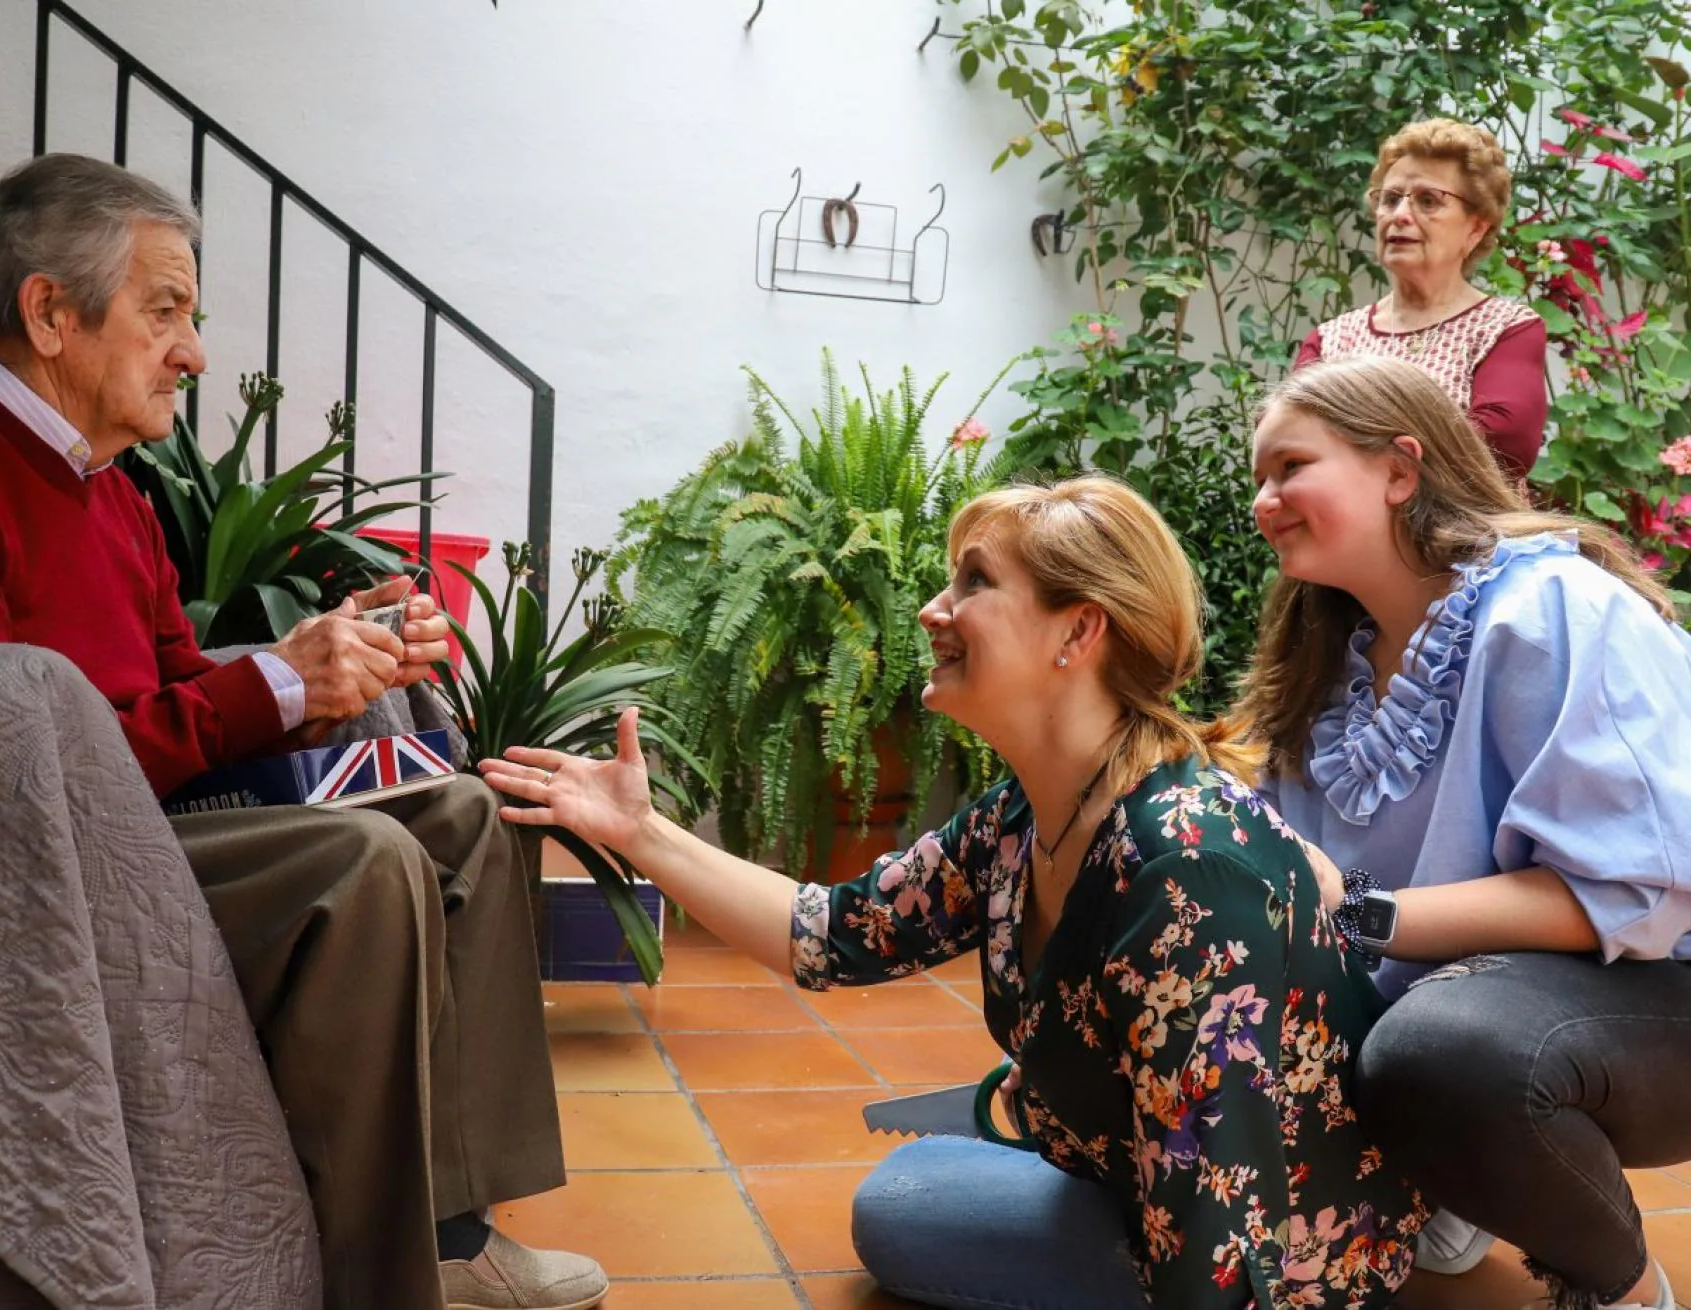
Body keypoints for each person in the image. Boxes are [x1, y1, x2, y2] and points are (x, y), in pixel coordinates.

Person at [0, 153, 606, 1310]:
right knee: (361, 865)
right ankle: (373, 1280)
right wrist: (270, 688)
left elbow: (164, 694)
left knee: (462, 810)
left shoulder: (109, 487)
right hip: (7, 882)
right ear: (51, 312)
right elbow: (3, 772)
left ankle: (455, 1238)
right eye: (166, 313)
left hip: (129, 838)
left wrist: (324, 672)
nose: (194, 354)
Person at [480, 476, 1428, 1309]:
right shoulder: (1025, 815)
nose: (934, 609)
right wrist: (639, 833)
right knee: (900, 1205)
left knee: (912, 1209)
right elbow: (831, 935)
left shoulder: (1188, 865)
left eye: (975, 582)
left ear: (1079, 629)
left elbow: (1218, 1227)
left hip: (1276, 1265)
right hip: (1133, 1193)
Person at [1241, 355, 1691, 1310]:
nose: (1263, 501)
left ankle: (1625, 1289)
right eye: (1260, 480)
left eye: (1289, 468)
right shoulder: (1325, 667)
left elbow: (1624, 894)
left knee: (1442, 1055)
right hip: (1478, 996)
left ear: (1400, 469)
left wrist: (1358, 911)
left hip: (1660, 990)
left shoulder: (1553, 608)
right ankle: (1441, 1178)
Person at [1296, 118, 1548, 481]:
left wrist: (1350, 443)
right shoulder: (1330, 339)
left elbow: (1503, 446)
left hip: (1464, 537)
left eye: (1428, 201)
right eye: (1391, 199)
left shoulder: (1505, 330)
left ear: (1476, 228)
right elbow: (1293, 436)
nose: (1399, 216)